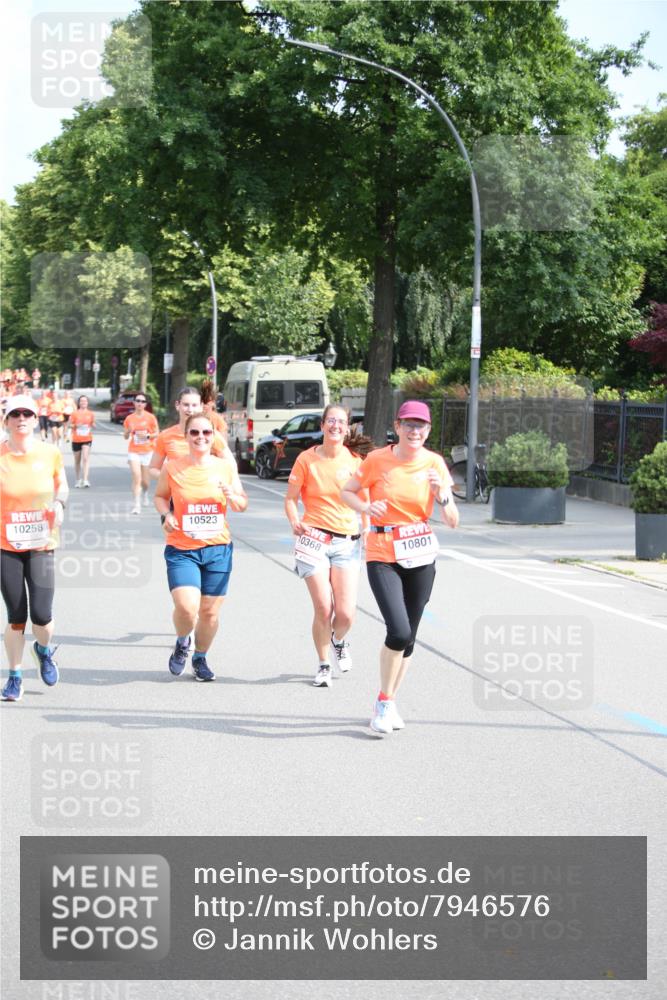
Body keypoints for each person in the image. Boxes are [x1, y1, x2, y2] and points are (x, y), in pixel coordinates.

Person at [341, 400, 459, 735]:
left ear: (428, 430)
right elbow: (347, 492)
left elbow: (452, 520)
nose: (414, 431)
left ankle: (388, 700)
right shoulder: (377, 460)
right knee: (399, 630)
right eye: (408, 424)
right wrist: (367, 505)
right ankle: (383, 702)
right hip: (382, 551)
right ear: (397, 426)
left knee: (410, 638)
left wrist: (443, 495)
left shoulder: (435, 463)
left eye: (420, 425)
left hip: (420, 553)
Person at [154, 412, 248, 681]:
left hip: (218, 549)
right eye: (194, 433)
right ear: (186, 437)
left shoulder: (225, 467)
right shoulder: (173, 467)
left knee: (209, 613)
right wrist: (167, 515)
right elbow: (160, 497)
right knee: (187, 608)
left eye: (206, 433)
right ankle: (183, 640)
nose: (201, 438)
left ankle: (200, 657)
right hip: (182, 548)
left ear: (213, 436)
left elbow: (242, 504)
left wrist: (233, 496)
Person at [284, 404, 372, 688]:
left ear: (347, 428)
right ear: (322, 426)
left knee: (345, 614)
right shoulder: (306, 460)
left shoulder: (356, 461)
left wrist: (367, 525)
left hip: (347, 543)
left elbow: (364, 499)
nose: (335, 426)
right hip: (314, 540)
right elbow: (290, 499)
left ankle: (338, 640)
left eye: (341, 422)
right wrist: (295, 520)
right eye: (330, 421)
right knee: (324, 608)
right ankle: (323, 665)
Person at [0, 395, 68, 702]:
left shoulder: (50, 452)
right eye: (15, 413)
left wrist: (59, 503)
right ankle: (15, 677)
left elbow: (61, 484)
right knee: (16, 614)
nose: (21, 418)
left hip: (42, 543)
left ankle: (42, 649)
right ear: (7, 420)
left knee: (42, 615)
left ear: (36, 417)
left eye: (27, 412)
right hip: (6, 544)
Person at [149, 386, 234, 477]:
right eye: (186, 405)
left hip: (205, 488)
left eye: (194, 405)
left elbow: (230, 464)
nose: (190, 410)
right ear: (178, 405)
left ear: (201, 407)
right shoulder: (165, 436)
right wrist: (170, 477)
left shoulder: (210, 433)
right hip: (177, 490)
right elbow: (153, 469)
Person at [123, 393, 159, 514]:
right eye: (138, 401)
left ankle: (145, 493)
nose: (140, 403)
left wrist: (148, 435)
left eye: (142, 401)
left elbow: (157, 433)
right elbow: (125, 436)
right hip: (134, 451)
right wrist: (128, 432)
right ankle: (136, 504)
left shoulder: (151, 417)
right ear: (134, 403)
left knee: (145, 482)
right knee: (136, 476)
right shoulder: (129, 418)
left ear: (145, 404)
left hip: (148, 451)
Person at [69, 395, 95, 487]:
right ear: (79, 403)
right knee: (77, 460)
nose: (83, 402)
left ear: (87, 403)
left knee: (85, 458)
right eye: (82, 401)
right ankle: (78, 480)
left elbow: (93, 423)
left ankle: (85, 480)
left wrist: (93, 426)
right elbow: (70, 425)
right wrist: (76, 425)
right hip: (76, 439)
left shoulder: (90, 414)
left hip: (87, 438)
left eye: (85, 401)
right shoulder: (74, 414)